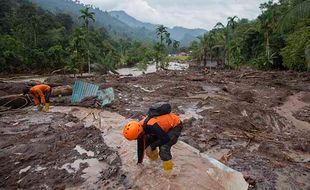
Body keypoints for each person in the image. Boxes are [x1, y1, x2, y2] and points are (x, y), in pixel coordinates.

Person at [123, 102, 183, 171]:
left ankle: (169, 172)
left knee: (163, 148)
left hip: (176, 125)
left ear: (139, 133)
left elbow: (165, 139)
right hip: (161, 129)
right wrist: (139, 162)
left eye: (136, 138)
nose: (137, 139)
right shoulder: (139, 129)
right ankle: (155, 162)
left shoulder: (152, 125)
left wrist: (151, 146)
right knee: (148, 141)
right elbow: (141, 147)